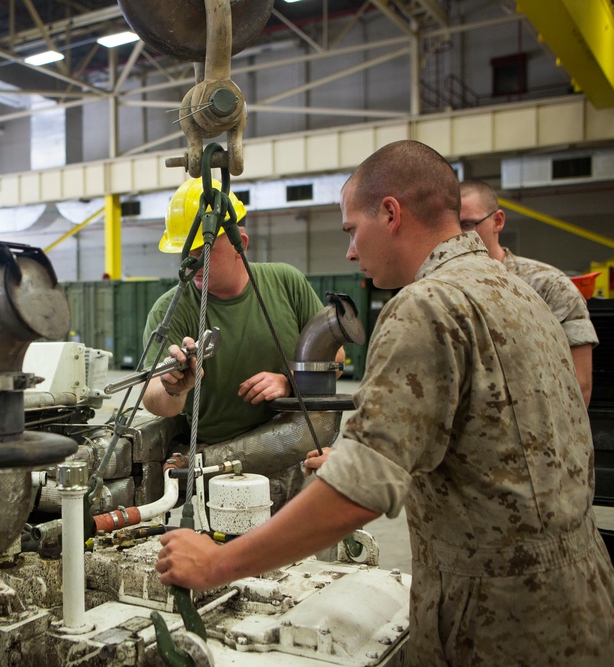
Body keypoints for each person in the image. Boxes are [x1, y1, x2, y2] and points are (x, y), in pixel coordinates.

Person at [156, 140, 614, 665]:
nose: (350, 251)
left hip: (497, 623)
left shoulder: (426, 306)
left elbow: (357, 496)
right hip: (581, 601)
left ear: (391, 213)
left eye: (352, 229)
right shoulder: (519, 290)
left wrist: (216, 563)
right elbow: (502, 450)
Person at [141, 178, 340, 444]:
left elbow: (335, 357)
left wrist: (289, 382)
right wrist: (174, 390)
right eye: (186, 251)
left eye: (205, 250)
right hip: (213, 453)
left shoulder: (286, 282)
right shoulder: (171, 309)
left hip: (290, 443)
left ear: (240, 245)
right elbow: (153, 398)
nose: (193, 262)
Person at [460, 179, 598, 406]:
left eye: (468, 225)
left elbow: (579, 388)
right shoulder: (442, 290)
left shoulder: (549, 286)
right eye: (454, 227)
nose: (461, 236)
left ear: (498, 221)